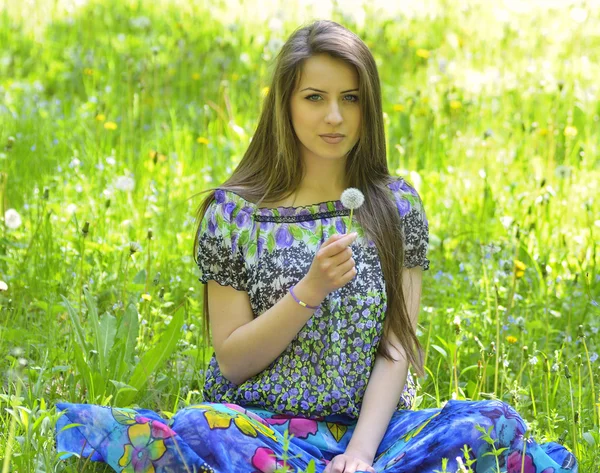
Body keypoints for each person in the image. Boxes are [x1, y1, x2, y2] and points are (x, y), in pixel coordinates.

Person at [55, 19, 578, 473]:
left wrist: (361, 454)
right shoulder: (236, 214)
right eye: (315, 97)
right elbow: (233, 361)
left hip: (375, 433)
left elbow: (398, 347)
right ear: (285, 104)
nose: (335, 116)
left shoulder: (396, 207)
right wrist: (311, 288)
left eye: (350, 98)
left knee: (490, 422)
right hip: (262, 430)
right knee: (200, 427)